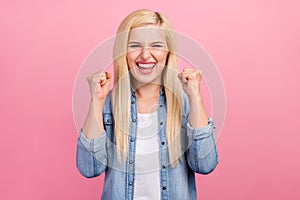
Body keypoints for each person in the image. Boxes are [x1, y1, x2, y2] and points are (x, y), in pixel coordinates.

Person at [76, 9, 218, 200]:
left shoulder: (184, 101)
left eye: (156, 45)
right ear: (123, 52)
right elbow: (89, 168)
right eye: (135, 45)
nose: (145, 55)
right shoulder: (109, 103)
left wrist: (196, 97)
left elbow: (205, 164)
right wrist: (96, 101)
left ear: (168, 52)